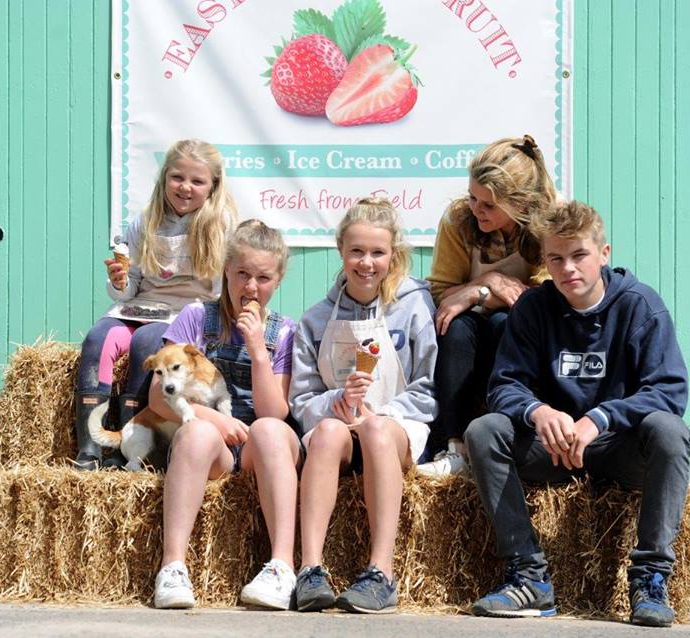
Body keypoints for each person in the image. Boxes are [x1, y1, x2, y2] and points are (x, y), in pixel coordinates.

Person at [465, 201, 690, 627]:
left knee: (670, 430)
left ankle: (649, 578)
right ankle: (529, 577)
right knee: (485, 430)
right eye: (556, 258)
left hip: (617, 448)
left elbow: (670, 390)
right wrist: (538, 411)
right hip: (552, 450)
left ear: (604, 254)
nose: (568, 268)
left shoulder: (641, 306)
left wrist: (602, 417)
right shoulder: (534, 308)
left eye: (579, 255)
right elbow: (504, 385)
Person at [289, 198, 438, 614]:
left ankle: (380, 573)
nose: (366, 262)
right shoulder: (316, 319)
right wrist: (337, 400)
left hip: (395, 426)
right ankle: (311, 569)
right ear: (341, 251)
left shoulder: (414, 308)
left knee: (373, 430)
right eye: (356, 251)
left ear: (394, 255)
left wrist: (381, 414)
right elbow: (300, 399)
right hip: (341, 426)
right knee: (328, 432)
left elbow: (427, 389)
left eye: (377, 252)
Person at [151, 220, 302, 611]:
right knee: (197, 430)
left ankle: (282, 566)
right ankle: (173, 567)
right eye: (242, 274)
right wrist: (214, 419)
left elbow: (275, 411)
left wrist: (257, 351)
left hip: (259, 447)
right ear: (226, 272)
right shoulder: (197, 319)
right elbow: (157, 398)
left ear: (278, 280)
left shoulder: (283, 333)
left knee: (269, 429)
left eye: (263, 278)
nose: (251, 287)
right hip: (214, 444)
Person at [73, 139, 238, 470]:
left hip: (182, 314)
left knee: (147, 344)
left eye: (197, 181)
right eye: (177, 177)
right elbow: (130, 285)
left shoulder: (221, 224)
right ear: (164, 177)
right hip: (138, 306)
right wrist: (120, 282)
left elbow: (222, 291)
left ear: (213, 186)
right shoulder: (145, 221)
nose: (185, 187)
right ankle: (89, 449)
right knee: (97, 339)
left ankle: (131, 448)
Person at [420, 135, 556, 476]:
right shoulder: (458, 218)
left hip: (524, 331)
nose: (476, 209)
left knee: (502, 323)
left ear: (522, 204)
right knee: (456, 327)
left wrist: (480, 293)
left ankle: (508, 437)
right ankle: (453, 447)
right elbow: (441, 292)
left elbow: (547, 296)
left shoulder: (550, 224)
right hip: (469, 327)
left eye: (489, 205)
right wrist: (486, 285)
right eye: (472, 197)